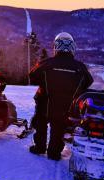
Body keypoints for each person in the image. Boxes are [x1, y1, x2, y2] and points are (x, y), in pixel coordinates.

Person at [29, 32, 93, 160]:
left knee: (40, 123)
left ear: (56, 47)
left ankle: (39, 147)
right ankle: (54, 153)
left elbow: (32, 77)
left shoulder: (46, 63)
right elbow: (88, 82)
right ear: (72, 48)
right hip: (66, 106)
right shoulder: (80, 67)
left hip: (45, 103)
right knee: (58, 128)